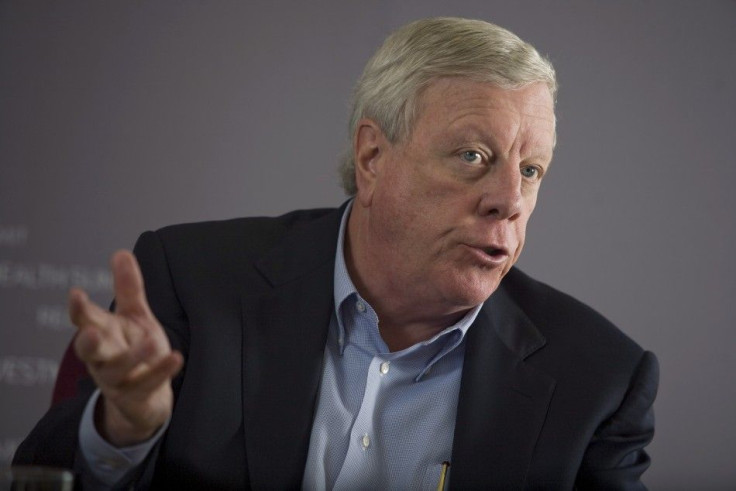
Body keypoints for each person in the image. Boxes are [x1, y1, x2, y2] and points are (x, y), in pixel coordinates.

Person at [15, 17, 658, 489]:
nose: (508, 200)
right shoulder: (193, 281)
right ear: (373, 156)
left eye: (532, 170)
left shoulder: (597, 379)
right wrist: (125, 431)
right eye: (473, 157)